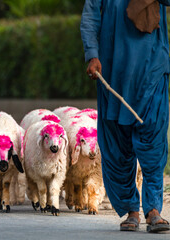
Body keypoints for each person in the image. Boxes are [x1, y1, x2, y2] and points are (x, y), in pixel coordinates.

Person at [81, 0, 170, 233]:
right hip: (113, 73)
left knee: (153, 140)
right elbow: (90, 14)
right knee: (117, 147)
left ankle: (153, 210)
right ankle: (131, 210)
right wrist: (92, 54)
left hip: (152, 70)